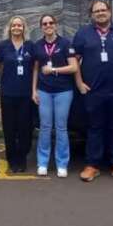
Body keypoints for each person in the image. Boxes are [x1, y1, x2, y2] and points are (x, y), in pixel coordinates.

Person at [72, 0, 113, 185]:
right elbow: (74, 60)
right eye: (96, 11)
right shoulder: (83, 34)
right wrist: (79, 83)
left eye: (103, 10)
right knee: (94, 128)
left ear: (110, 12)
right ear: (92, 15)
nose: (100, 13)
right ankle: (92, 165)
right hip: (93, 91)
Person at [31, 13, 78, 178]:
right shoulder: (38, 45)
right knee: (45, 127)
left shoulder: (65, 43)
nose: (48, 25)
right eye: (44, 24)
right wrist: (34, 90)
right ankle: (42, 162)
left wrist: (53, 70)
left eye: (51, 22)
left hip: (63, 91)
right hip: (44, 91)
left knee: (61, 127)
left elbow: (74, 67)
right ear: (41, 27)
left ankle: (62, 163)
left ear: (55, 25)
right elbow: (36, 69)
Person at [0, 16, 34, 174]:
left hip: (26, 93)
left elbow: (35, 67)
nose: (17, 28)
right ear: (9, 28)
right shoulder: (3, 46)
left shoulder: (30, 46)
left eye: (20, 25)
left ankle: (22, 157)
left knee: (25, 126)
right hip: (8, 93)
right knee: (9, 127)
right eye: (14, 25)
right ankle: (11, 158)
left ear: (24, 28)